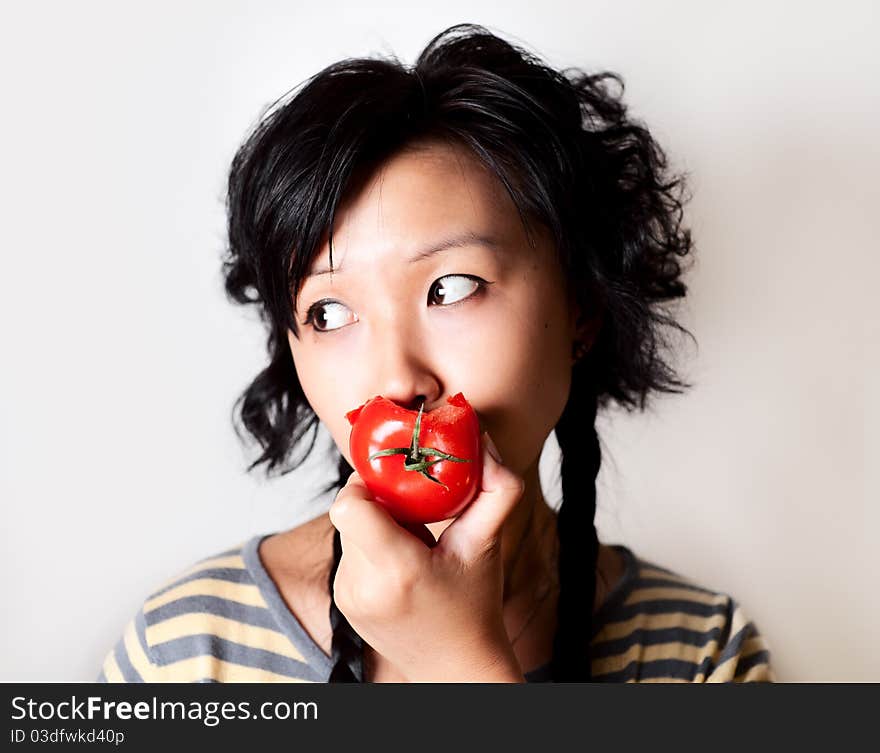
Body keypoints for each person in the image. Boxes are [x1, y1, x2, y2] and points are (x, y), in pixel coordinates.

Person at [98, 23, 775, 683]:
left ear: (582, 308)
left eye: (451, 289)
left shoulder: (701, 654)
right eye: (329, 312)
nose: (396, 379)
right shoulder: (185, 654)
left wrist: (460, 665)